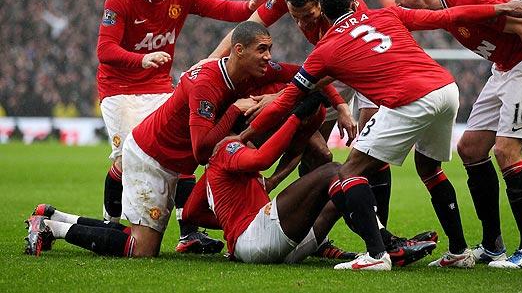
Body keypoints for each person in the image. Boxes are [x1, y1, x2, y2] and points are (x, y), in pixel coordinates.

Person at [242, 0, 522, 270]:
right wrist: (498, 8)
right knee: (429, 168)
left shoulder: (324, 49)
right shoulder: (387, 13)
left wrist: (247, 134)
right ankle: (459, 250)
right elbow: (448, 16)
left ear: (323, 12)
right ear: (352, 3)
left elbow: (286, 101)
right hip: (445, 89)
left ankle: (376, 255)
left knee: (349, 171)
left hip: (410, 98)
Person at [24, 21, 345, 257]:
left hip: (172, 162)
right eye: (262, 49)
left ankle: (54, 216)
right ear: (238, 50)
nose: (268, 57)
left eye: (270, 49)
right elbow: (202, 149)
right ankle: (52, 229)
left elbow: (305, 72)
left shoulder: (253, 70)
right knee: (141, 248)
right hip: (152, 158)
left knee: (142, 235)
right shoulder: (208, 83)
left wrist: (341, 105)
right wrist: (234, 112)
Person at [208, 0, 438, 263]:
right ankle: (357, 239)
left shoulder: (345, 10)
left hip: (360, 67)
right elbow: (250, 26)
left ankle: (380, 240)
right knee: (318, 153)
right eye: (295, 18)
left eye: (308, 16)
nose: (302, 24)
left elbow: (327, 68)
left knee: (368, 152)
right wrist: (211, 59)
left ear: (322, 5)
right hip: (325, 71)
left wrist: (325, 104)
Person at [96, 0, 274, 252]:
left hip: (161, 86)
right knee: (127, 160)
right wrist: (141, 59)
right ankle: (110, 225)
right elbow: (105, 50)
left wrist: (249, 6)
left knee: (182, 155)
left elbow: (219, 7)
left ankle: (187, 234)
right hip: (121, 91)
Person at [386, 0, 522, 269]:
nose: (397, 4)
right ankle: (493, 246)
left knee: (506, 152)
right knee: (470, 150)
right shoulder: (445, 12)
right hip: (505, 68)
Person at [202, 92, 350, 265]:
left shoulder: (225, 162)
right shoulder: (227, 147)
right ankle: (377, 248)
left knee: (345, 186)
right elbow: (262, 159)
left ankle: (377, 248)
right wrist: (296, 116)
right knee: (332, 170)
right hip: (254, 239)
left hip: (271, 245)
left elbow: (191, 212)